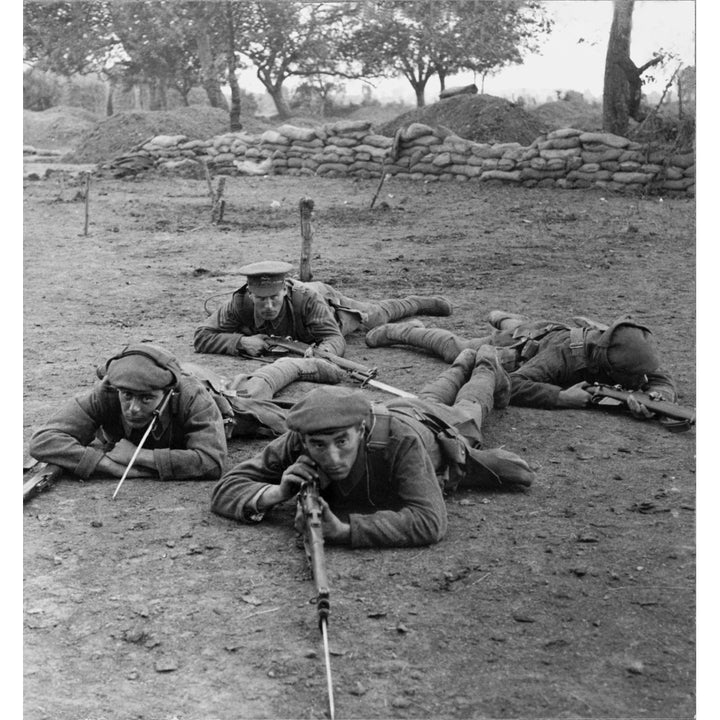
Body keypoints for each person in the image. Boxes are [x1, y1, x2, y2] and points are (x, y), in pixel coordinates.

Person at [211, 346, 535, 548]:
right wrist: (277, 493)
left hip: (438, 426)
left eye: (342, 442)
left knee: (472, 402)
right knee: (437, 389)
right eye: (319, 446)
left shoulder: (399, 443)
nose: (332, 457)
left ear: (360, 429)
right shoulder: (300, 438)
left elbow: (430, 521)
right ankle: (464, 358)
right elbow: (227, 488)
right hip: (402, 406)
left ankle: (485, 360)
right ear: (305, 438)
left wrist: (344, 531)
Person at [29, 342, 345, 482]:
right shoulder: (108, 391)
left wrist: (140, 458)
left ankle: (297, 364)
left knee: (271, 412)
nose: (133, 408)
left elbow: (212, 462)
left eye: (145, 399)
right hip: (172, 371)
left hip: (217, 399)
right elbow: (44, 441)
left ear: (166, 394)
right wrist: (107, 465)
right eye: (128, 397)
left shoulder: (192, 397)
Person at [364, 311, 677, 418]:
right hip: (521, 349)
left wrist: (660, 398)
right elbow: (514, 384)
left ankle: (501, 316)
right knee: (458, 348)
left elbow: (658, 378)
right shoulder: (563, 357)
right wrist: (560, 397)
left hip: (545, 329)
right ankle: (402, 329)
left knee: (519, 323)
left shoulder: (626, 348)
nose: (640, 381)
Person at [193, 260, 452, 359]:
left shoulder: (306, 299)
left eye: (274, 298)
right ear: (251, 293)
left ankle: (415, 303)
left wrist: (323, 353)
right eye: (262, 300)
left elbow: (333, 337)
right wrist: (241, 342)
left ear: (284, 290)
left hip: (329, 308)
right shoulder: (239, 303)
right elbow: (202, 336)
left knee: (374, 316)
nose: (269, 305)